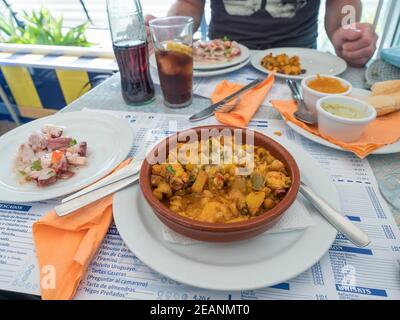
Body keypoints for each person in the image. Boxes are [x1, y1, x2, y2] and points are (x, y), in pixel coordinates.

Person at [146, 0, 378, 67]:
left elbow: (345, 3)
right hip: (221, 62)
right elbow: (189, 2)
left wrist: (348, 28)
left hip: (300, 65)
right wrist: (173, 30)